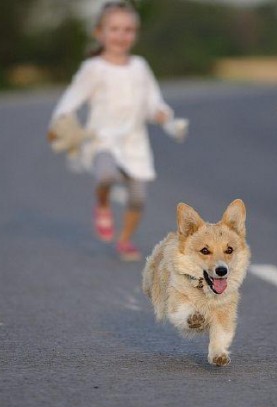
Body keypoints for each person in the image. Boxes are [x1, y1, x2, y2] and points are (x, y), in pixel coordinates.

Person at [48, 1, 187, 261]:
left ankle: (124, 240)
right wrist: (58, 122)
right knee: (106, 176)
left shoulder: (140, 67)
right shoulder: (93, 69)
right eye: (114, 29)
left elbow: (152, 101)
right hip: (103, 140)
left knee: (138, 198)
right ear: (99, 33)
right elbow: (71, 99)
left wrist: (162, 115)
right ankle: (102, 204)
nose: (121, 35)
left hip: (135, 143)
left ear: (135, 33)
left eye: (128, 30)